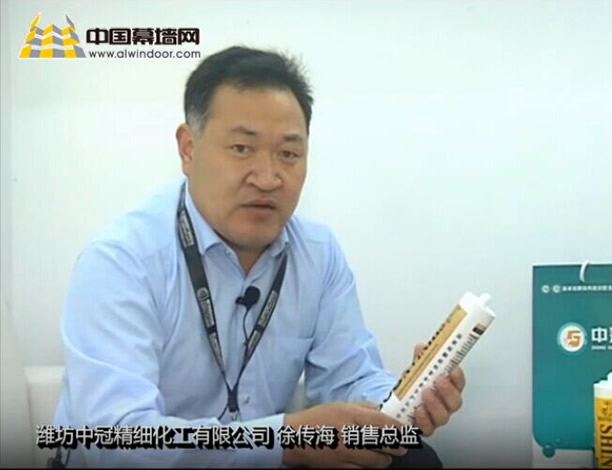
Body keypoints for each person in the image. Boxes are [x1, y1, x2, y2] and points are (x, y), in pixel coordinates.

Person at [53, 45, 465, 468]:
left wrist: (402, 404)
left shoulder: (318, 255)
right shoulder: (122, 262)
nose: (268, 178)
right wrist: (287, 441)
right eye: (241, 148)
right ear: (188, 148)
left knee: (411, 459)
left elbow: (350, 376)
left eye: (289, 154)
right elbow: (117, 443)